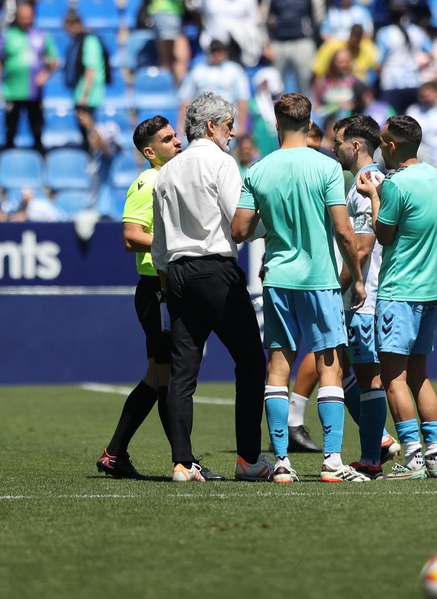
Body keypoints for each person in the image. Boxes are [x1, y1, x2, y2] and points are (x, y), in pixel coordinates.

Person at [229, 93, 365, 484]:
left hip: (277, 278)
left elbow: (239, 231)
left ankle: (283, 463)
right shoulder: (326, 168)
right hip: (320, 281)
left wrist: (270, 227)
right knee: (330, 367)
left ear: (276, 125)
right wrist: (355, 276)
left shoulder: (258, 169)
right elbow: (342, 230)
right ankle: (332, 461)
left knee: (278, 368)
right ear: (310, 124)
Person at [152, 93, 275, 482]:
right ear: (211, 127)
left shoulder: (168, 170)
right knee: (252, 363)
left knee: (183, 374)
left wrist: (165, 275)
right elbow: (239, 222)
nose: (233, 133)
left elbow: (158, 241)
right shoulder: (222, 163)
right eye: (228, 125)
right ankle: (248, 460)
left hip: (177, 273)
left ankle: (182, 463)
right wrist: (269, 227)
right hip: (215, 270)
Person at [355, 114, 437, 479]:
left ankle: (412, 458)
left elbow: (383, 235)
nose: (378, 148)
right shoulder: (433, 176)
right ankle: (435, 458)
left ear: (392, 146)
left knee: (393, 378)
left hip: (399, 293)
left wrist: (374, 195)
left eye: (381, 142)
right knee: (419, 375)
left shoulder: (395, 185)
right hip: (430, 292)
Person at [96, 116, 184, 479]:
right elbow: (132, 236)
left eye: (176, 135)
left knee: (157, 377)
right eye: (167, 139)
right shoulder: (148, 181)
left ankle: (114, 453)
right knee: (167, 378)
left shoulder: (170, 178)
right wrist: (179, 242)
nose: (177, 142)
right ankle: (184, 459)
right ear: (150, 152)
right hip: (155, 290)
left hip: (165, 288)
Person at [333, 114, 403, 475]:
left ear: (356, 145)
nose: (334, 148)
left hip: (365, 299)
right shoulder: (363, 183)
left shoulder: (367, 182)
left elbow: (360, 250)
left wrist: (336, 288)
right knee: (346, 369)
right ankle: (381, 443)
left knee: (368, 376)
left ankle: (373, 459)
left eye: (338, 141)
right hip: (363, 298)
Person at [0, 0, 58, 153]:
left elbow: (54, 61)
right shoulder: (7, 36)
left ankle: (39, 159)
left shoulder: (42, 35)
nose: (26, 20)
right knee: (10, 129)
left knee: (37, 129)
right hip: (12, 90)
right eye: (23, 17)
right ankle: (8, 159)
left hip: (34, 92)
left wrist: (45, 74)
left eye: (29, 17)